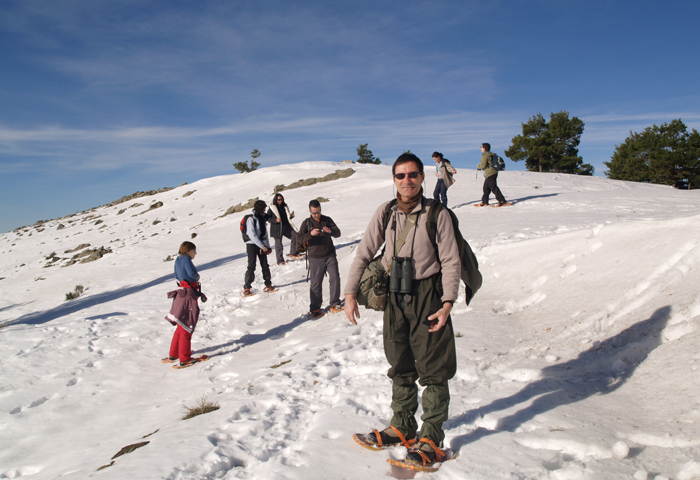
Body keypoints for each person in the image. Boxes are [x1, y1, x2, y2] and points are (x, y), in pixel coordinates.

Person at [344, 153, 461, 468]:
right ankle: (403, 427)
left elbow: (451, 260)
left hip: (428, 296)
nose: (406, 181)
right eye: (400, 175)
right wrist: (350, 292)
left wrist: (448, 302)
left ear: (423, 177)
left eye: (412, 175)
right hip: (395, 296)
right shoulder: (386, 212)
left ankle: (432, 439)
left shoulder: (438, 214)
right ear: (393, 179)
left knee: (434, 368)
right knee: (400, 362)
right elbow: (364, 252)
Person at [163, 241, 208, 367]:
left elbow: (176, 275)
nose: (195, 253)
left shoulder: (178, 259)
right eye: (194, 250)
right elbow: (192, 274)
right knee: (187, 325)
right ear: (188, 250)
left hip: (181, 293)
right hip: (189, 294)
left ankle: (174, 353)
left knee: (180, 324)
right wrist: (197, 277)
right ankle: (185, 358)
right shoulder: (186, 259)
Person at [296, 199, 342, 318]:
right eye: (314, 213)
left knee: (335, 278)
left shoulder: (327, 219)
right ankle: (315, 308)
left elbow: (338, 233)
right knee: (316, 283)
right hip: (315, 257)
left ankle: (335, 303)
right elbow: (299, 239)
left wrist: (330, 231)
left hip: (330, 254)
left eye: (319, 212)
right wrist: (310, 235)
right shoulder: (306, 223)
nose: (317, 215)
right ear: (309, 211)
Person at [243, 200, 276, 296]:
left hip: (261, 244)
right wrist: (262, 246)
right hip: (252, 245)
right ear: (260, 209)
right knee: (251, 265)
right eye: (264, 208)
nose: (265, 210)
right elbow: (252, 235)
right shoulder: (251, 219)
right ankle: (247, 288)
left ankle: (268, 284)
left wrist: (267, 247)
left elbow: (264, 234)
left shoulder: (262, 218)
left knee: (265, 264)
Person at [266, 193, 300, 265]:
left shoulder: (285, 206)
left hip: (286, 226)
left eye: (281, 199)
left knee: (295, 236)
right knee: (279, 245)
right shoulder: (272, 208)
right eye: (278, 199)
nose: (280, 201)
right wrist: (275, 220)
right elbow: (267, 218)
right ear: (275, 199)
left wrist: (291, 216)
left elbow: (287, 217)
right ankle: (280, 260)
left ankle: (293, 253)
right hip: (277, 229)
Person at [476, 143, 508, 207]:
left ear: (484, 148)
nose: (481, 148)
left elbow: (483, 165)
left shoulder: (485, 155)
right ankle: (484, 202)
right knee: (486, 188)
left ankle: (502, 201)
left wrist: (479, 166)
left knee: (493, 187)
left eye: (481, 147)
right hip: (492, 173)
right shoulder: (490, 154)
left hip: (490, 173)